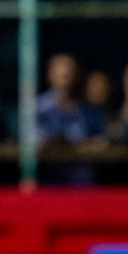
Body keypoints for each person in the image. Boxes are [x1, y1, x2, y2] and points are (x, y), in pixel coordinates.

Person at [35, 53, 107, 186]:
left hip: (80, 183)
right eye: (61, 72)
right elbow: (32, 143)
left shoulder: (89, 111)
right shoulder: (37, 108)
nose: (65, 75)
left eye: (69, 72)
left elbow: (101, 145)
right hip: (46, 182)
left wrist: (75, 146)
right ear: (50, 74)